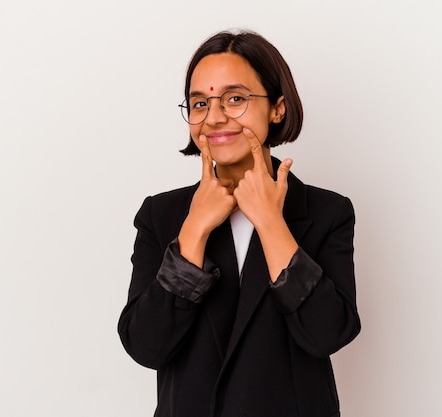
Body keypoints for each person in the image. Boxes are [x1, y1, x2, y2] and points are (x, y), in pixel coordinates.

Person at [118, 29, 361, 417]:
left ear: (277, 108)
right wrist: (193, 232)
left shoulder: (327, 211)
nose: (214, 118)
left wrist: (271, 223)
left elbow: (328, 334)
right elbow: (146, 347)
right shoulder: (160, 215)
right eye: (199, 103)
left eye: (235, 99)